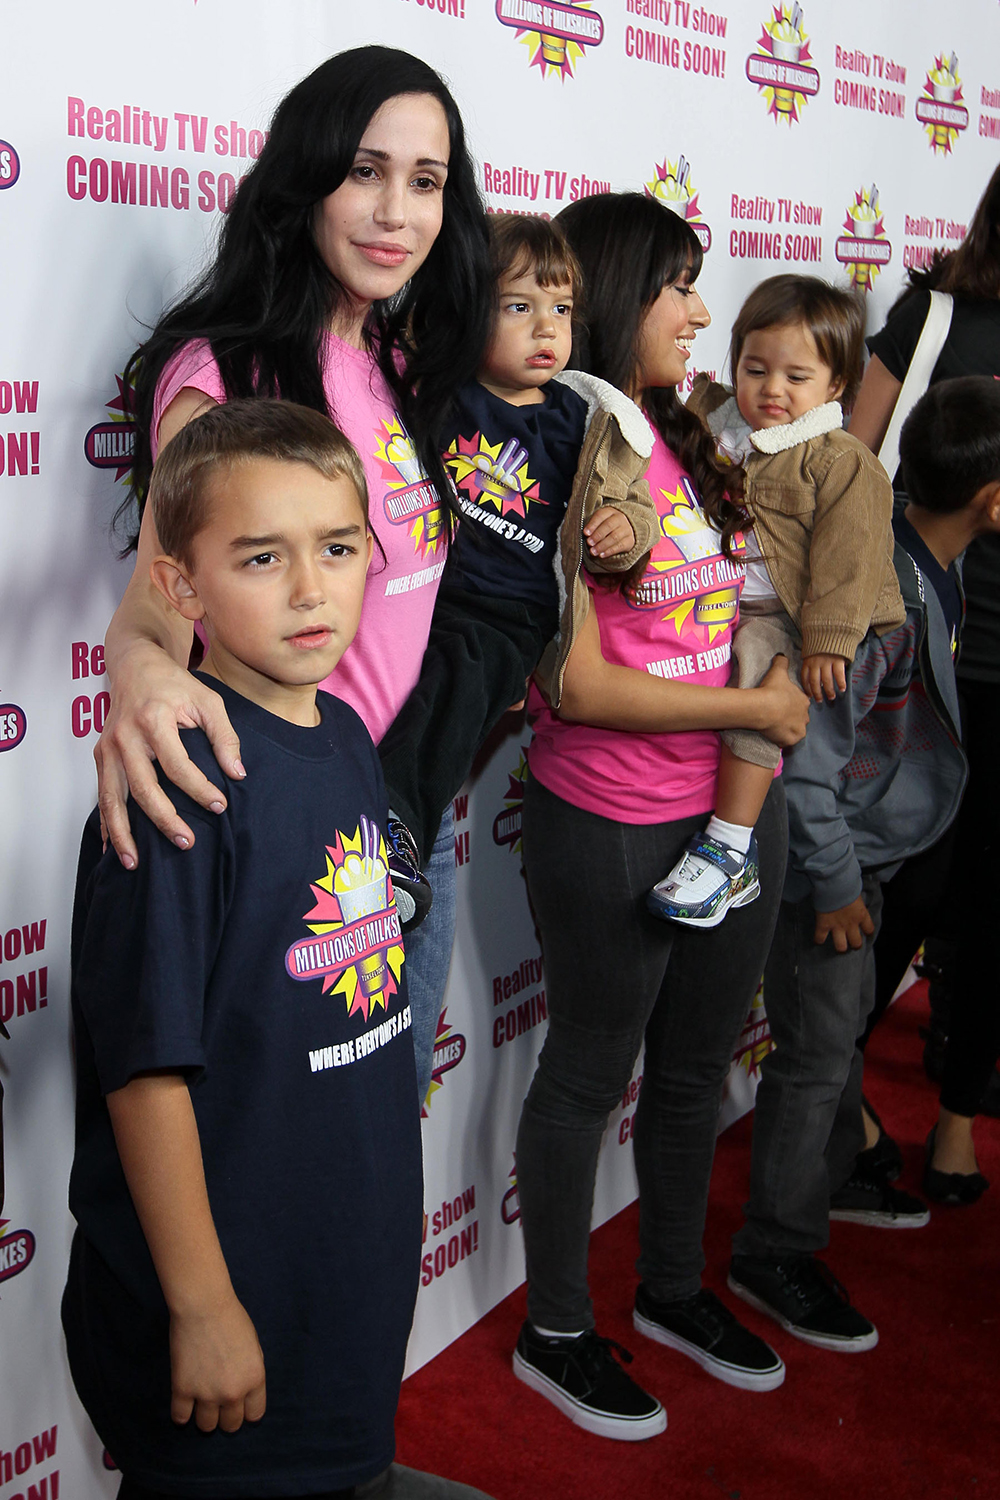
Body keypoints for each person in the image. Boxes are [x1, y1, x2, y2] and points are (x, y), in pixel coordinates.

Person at [63, 400, 492, 1500]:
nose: (311, 588)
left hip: (336, 1276)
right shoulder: (181, 783)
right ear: (181, 588)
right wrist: (203, 1309)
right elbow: (145, 1074)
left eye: (338, 548)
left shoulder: (345, 732)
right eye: (263, 557)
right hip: (224, 1294)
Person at [92, 46, 493, 1104]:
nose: (395, 211)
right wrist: (139, 679)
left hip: (406, 809)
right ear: (305, 176)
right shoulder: (225, 377)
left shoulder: (397, 365)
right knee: (286, 1160)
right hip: (292, 840)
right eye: (364, 171)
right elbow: (148, 617)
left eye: (424, 180)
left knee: (379, 1142)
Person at [511, 193, 812, 1441]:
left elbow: (748, 602)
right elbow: (566, 681)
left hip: (737, 812)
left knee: (694, 1070)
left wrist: (776, 675)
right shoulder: (557, 441)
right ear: (621, 290)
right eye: (680, 285)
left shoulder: (687, 433)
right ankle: (556, 1331)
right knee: (590, 1070)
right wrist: (749, 700)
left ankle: (677, 1289)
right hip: (609, 819)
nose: (701, 310)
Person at [725, 380, 1000, 1350]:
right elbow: (807, 760)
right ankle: (774, 1249)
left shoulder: (924, 554)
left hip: (864, 853)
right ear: (991, 500)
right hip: (824, 865)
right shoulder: (879, 591)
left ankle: (834, 1172)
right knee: (814, 1055)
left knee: (829, 1041)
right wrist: (838, 883)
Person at [378, 213, 658, 868]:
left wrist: (625, 533)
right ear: (466, 311)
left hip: (513, 614)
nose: (546, 328)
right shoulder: (436, 394)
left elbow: (632, 506)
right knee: (409, 694)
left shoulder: (584, 418)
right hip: (429, 598)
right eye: (518, 306)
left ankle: (394, 835)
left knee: (460, 682)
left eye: (560, 308)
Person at [649, 275, 904, 928]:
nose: (771, 390)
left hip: (793, 613)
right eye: (755, 369)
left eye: (796, 377)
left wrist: (827, 640)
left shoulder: (838, 459)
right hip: (724, 595)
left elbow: (850, 560)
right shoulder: (715, 422)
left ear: (837, 386)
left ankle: (730, 846)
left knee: (761, 678)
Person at [850, 164, 1000, 1197]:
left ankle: (955, 1112)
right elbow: (854, 467)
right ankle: (835, 1092)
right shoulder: (934, 313)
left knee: (993, 904)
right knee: (903, 885)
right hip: (926, 648)